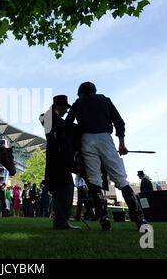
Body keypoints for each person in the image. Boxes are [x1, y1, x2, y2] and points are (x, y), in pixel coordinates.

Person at [66, 82, 147, 231]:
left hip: (87, 141)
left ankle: (104, 221)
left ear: (81, 93)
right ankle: (140, 220)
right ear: (94, 91)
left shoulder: (78, 103)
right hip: (105, 138)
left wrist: (76, 145)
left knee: (94, 181)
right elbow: (119, 122)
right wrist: (122, 143)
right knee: (121, 180)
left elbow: (67, 125)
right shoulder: (105, 100)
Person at [40, 95, 81, 230]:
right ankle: (61, 222)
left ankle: (60, 221)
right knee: (66, 188)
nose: (66, 112)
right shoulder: (50, 117)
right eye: (66, 109)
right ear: (60, 106)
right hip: (59, 160)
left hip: (58, 160)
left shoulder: (53, 119)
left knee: (64, 189)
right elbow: (48, 119)